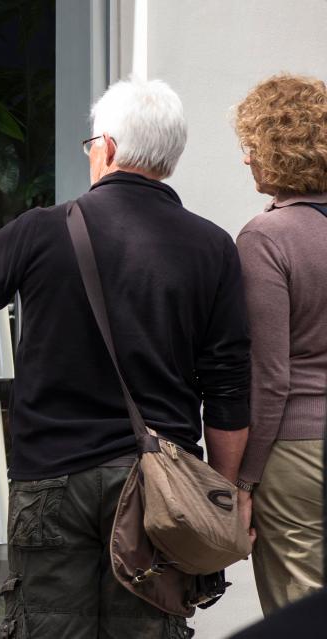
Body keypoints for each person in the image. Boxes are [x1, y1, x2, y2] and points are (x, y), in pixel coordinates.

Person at [0, 78, 251, 637]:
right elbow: (229, 385)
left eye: (92, 144)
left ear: (107, 147)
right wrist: (225, 492)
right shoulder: (212, 247)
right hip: (158, 489)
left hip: (53, 480)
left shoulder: (43, 230)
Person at [233, 73, 327, 615]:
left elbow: (269, 379)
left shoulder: (267, 237)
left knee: (303, 607)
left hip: (298, 452)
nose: (247, 161)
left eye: (252, 147)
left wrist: (243, 481)